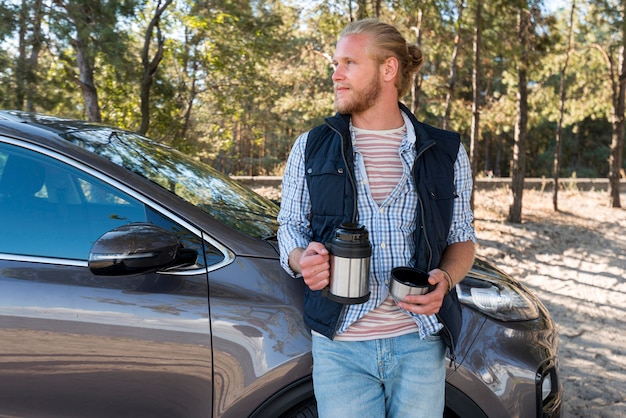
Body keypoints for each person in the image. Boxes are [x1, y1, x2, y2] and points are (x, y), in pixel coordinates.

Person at [277, 18, 476, 418]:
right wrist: (303, 260)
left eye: (349, 62)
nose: (336, 75)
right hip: (340, 348)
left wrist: (447, 279)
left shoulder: (446, 151)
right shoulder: (311, 147)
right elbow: (289, 228)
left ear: (388, 69)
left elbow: (462, 237)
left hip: (419, 344)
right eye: (336, 64)